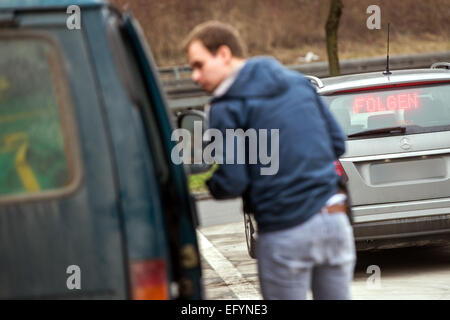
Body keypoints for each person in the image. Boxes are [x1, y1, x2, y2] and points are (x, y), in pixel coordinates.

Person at [183, 21, 356, 300]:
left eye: (199, 64)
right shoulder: (298, 83)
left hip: (285, 231)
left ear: (224, 54)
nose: (194, 75)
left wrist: (209, 182)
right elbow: (337, 142)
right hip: (334, 224)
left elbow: (233, 181)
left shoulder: (226, 105)